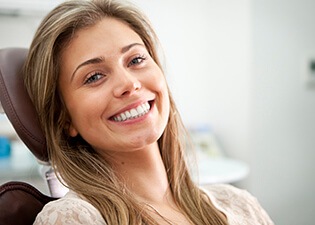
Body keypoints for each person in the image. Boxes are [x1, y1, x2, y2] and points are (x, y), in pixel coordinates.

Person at [23, 0, 274, 224]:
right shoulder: (74, 218)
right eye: (95, 76)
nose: (129, 84)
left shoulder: (240, 204)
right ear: (64, 118)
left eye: (136, 60)